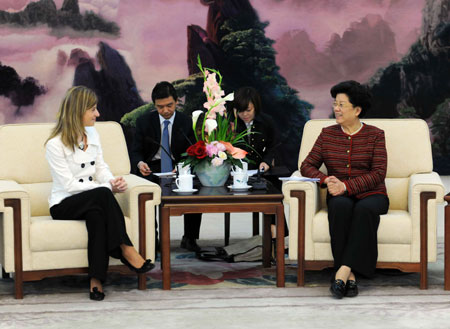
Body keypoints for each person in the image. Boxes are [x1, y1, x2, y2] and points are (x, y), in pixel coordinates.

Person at [45, 86, 154, 302]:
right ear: (78, 111)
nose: (98, 114)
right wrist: (105, 188)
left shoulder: (93, 134)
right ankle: (127, 249)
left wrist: (112, 180)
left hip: (91, 201)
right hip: (64, 204)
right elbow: (68, 185)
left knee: (97, 217)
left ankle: (96, 280)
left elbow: (101, 167)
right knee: (103, 195)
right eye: (93, 110)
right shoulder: (54, 145)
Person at [300, 80, 389, 299]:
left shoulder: (375, 135)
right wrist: (325, 180)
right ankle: (350, 278)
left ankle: (342, 270)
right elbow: (306, 165)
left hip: (373, 194)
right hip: (339, 195)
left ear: (357, 110)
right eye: (335, 104)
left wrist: (346, 186)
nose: (336, 109)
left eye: (341, 104)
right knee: (339, 207)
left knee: (364, 210)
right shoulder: (327, 134)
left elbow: (378, 173)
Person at [130, 81, 202, 252]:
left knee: (193, 185)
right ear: (154, 105)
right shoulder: (144, 122)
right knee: (145, 188)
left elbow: (192, 151)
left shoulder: (185, 122)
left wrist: (183, 166)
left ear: (177, 101)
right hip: (152, 167)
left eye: (169, 105)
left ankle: (190, 237)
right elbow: (135, 151)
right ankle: (152, 239)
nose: (165, 110)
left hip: (178, 167)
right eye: (160, 107)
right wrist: (141, 164)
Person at [232, 86, 288, 240]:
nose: (244, 114)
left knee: (272, 196)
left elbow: (274, 145)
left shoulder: (266, 122)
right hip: (238, 172)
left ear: (255, 106)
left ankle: (279, 238)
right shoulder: (231, 124)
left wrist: (267, 161)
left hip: (263, 170)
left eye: (248, 110)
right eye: (240, 110)